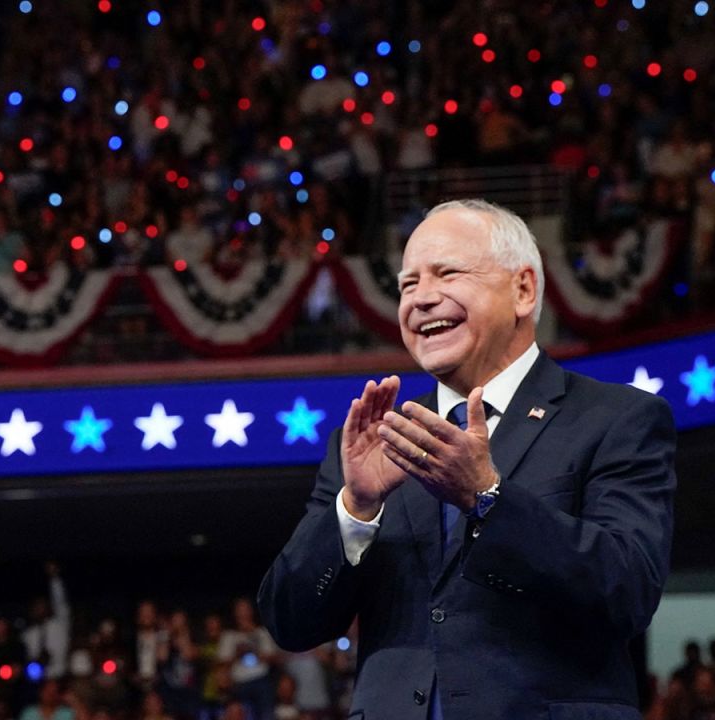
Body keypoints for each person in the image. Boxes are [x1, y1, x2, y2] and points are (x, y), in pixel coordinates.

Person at [259, 199, 676, 719]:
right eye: (408, 284)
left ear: (523, 290)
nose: (422, 299)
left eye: (447, 273)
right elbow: (290, 621)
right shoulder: (375, 438)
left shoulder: (617, 419)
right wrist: (356, 511)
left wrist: (488, 499)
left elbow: (627, 592)